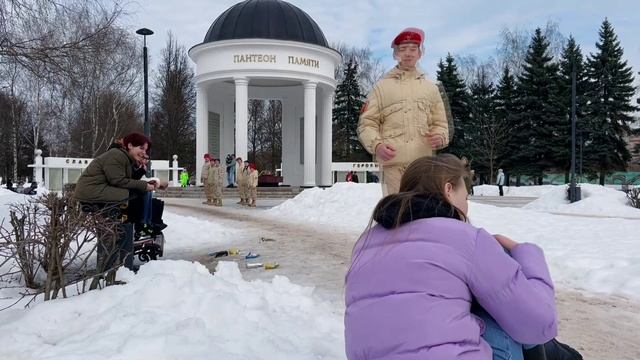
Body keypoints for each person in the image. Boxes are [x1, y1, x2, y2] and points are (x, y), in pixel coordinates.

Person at [345, 154, 558, 359]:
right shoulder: (467, 238)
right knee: (504, 318)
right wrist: (526, 254)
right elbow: (539, 324)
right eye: (465, 197)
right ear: (448, 190)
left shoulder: (366, 241)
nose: (467, 206)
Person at [358, 27, 449, 196]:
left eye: (413, 49)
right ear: (396, 54)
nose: (408, 53)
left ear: (420, 53)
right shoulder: (381, 87)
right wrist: (376, 145)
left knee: (421, 210)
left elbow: (440, 124)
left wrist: (441, 136)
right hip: (393, 164)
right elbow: (366, 124)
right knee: (398, 210)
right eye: (403, 49)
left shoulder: (431, 88)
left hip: (422, 165)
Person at [74, 133, 163, 271]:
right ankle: (115, 266)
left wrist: (140, 172)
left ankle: (123, 260)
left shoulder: (124, 157)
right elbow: (118, 181)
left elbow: (124, 178)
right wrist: (144, 185)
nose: (143, 153)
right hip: (92, 191)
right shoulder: (116, 155)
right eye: (141, 148)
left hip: (101, 189)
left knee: (137, 196)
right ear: (130, 145)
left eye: (145, 150)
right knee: (134, 195)